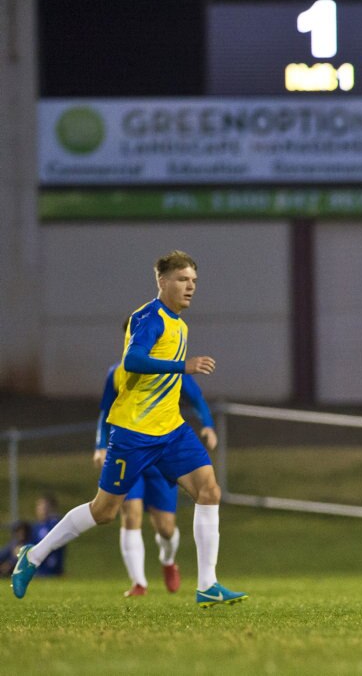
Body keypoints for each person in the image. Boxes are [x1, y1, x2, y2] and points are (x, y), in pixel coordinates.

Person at [12, 250, 247, 608]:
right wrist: (182, 365)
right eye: (183, 280)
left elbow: (183, 388)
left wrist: (201, 414)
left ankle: (208, 584)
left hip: (171, 429)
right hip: (134, 433)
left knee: (209, 491)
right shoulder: (148, 317)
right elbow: (133, 360)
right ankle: (34, 555)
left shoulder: (180, 324)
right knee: (105, 511)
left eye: (194, 281)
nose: (190, 287)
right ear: (162, 281)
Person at [95, 321, 219, 597]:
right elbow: (105, 412)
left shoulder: (170, 367)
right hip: (130, 452)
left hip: (162, 455)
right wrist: (100, 445)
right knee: (131, 515)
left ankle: (167, 560)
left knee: (165, 527)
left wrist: (208, 425)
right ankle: (139, 582)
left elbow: (196, 398)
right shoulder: (117, 373)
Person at [30, 495, 65, 577]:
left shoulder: (55, 524)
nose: (40, 509)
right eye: (38, 506)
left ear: (52, 508)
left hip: (50, 567)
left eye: (43, 506)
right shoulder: (37, 526)